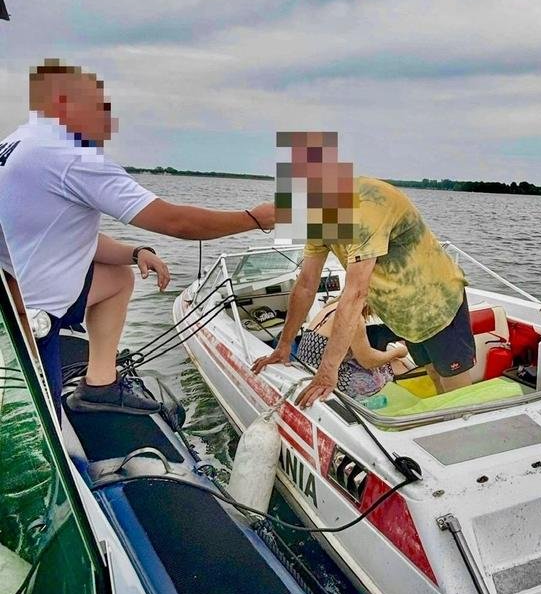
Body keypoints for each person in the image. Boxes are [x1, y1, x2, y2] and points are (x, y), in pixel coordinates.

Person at [0, 59, 275, 416]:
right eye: (100, 108)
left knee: (117, 277)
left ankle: (100, 385)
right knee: (48, 441)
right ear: (64, 104)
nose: (108, 122)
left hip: (13, 290)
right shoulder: (70, 157)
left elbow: (54, 235)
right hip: (32, 319)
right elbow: (177, 222)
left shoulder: (16, 144)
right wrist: (255, 218)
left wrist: (135, 252)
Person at [252, 137, 475, 407]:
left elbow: (356, 292)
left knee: (457, 395)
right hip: (404, 317)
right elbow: (306, 283)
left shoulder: (367, 207)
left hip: (437, 306)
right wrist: (284, 345)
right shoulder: (317, 216)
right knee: (432, 375)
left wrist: (327, 373)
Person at [297, 300, 408, 399]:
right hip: (326, 378)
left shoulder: (332, 306)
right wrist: (398, 352)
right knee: (392, 367)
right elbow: (369, 362)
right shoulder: (353, 317)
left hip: (307, 369)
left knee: (388, 364)